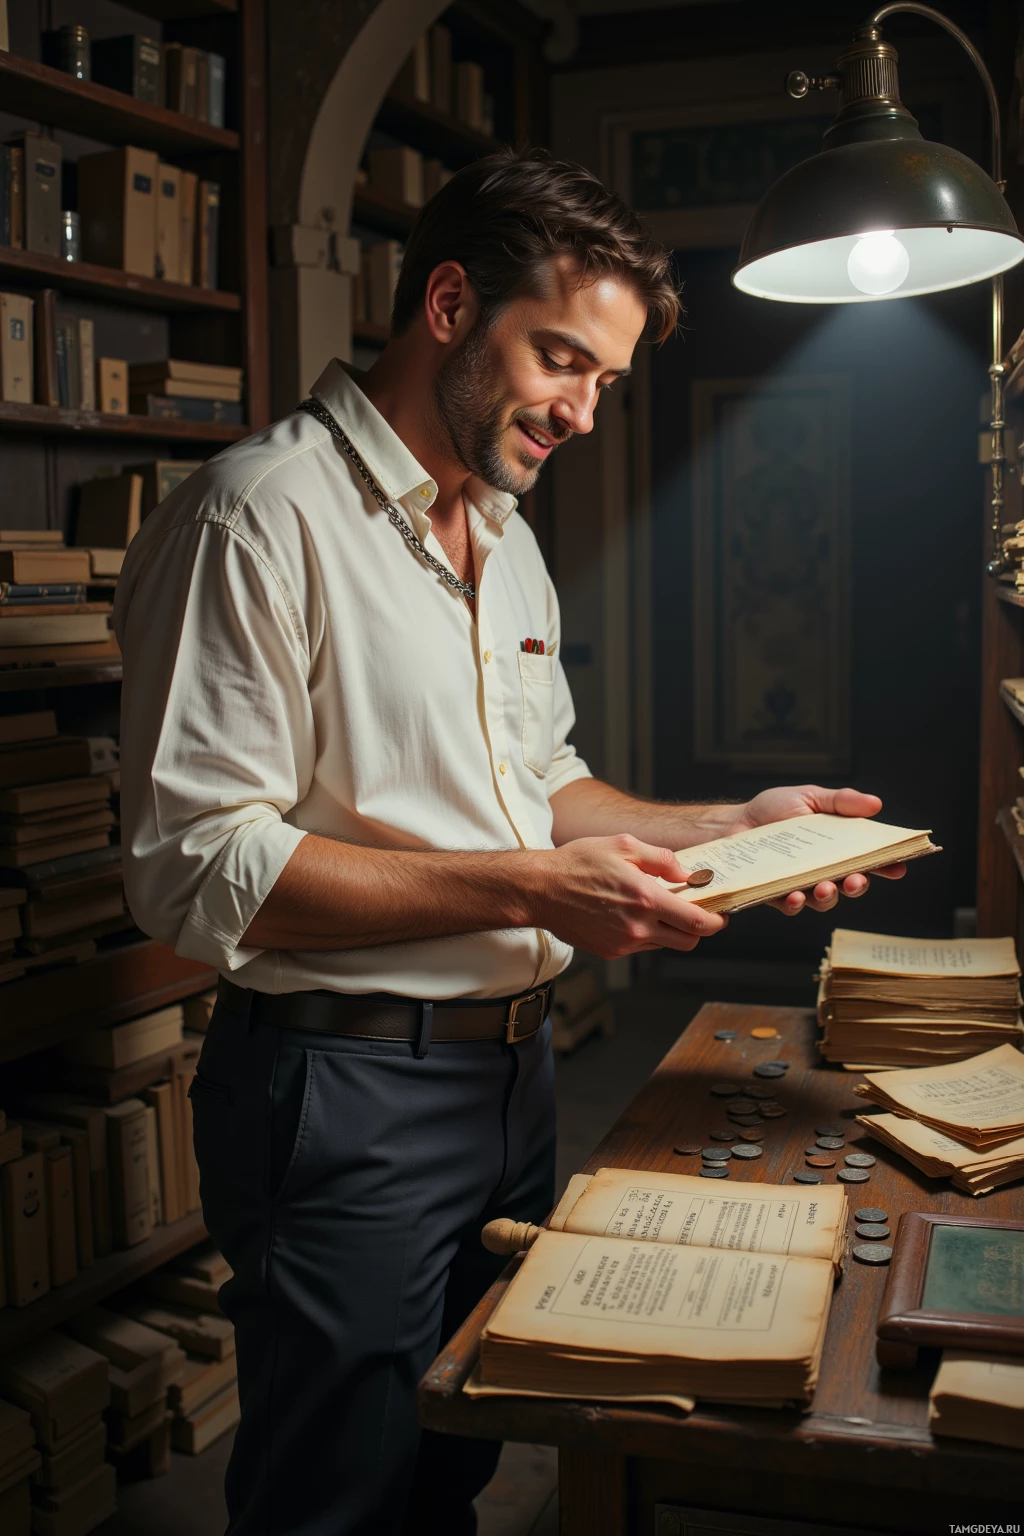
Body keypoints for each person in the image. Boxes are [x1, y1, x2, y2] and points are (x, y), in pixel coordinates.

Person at [113, 149, 902, 1536]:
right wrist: (534, 886)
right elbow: (189, 870)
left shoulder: (505, 532)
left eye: (604, 380)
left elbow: (540, 783)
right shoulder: (257, 516)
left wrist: (729, 827)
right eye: (560, 359)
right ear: (448, 304)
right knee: (331, 1498)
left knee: (456, 1464)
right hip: (339, 1086)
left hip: (510, 1079)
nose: (585, 410)